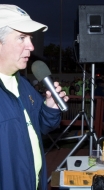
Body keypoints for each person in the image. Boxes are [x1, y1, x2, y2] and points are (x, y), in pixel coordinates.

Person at [0, 5, 69, 190]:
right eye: (22, 37)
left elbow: (44, 126)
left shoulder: (24, 85)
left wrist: (50, 107)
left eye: (30, 38)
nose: (31, 46)